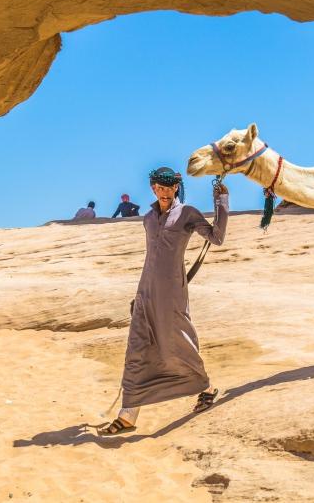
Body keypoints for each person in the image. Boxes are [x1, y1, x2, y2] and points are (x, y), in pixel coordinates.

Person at [98, 167, 229, 436]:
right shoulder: (148, 218)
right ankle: (128, 415)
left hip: (171, 292)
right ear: (153, 189)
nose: (165, 193)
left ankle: (206, 388)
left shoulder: (187, 213)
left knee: (177, 342)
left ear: (176, 189)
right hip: (145, 291)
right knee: (136, 349)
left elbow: (216, 238)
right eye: (160, 188)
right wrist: (139, 296)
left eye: (169, 188)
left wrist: (221, 202)